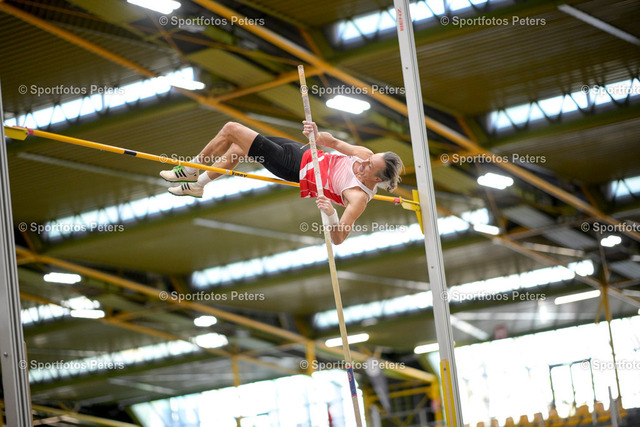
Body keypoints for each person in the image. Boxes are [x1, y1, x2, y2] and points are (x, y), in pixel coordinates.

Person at [160, 121, 403, 244]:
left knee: (231, 129)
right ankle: (198, 185)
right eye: (369, 158)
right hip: (300, 150)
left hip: (293, 167)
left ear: (377, 179)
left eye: (369, 166)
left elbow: (338, 238)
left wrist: (330, 214)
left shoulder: (358, 197)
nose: (364, 162)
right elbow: (333, 143)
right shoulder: (365, 154)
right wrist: (317, 135)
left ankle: (191, 170)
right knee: (237, 148)